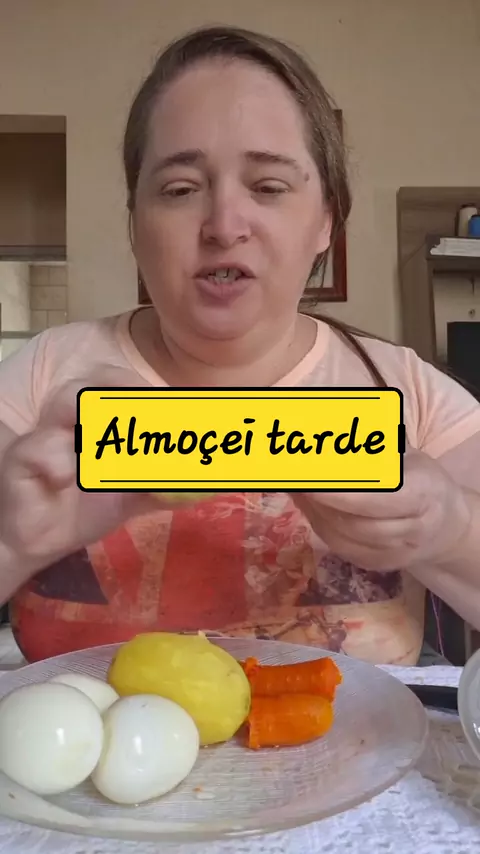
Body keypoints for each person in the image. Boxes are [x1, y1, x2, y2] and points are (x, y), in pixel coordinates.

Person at [0, 25, 479, 666]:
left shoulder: (411, 392)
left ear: (326, 221)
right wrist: (10, 544)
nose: (224, 226)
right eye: (179, 189)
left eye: (269, 186)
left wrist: (451, 531)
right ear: (136, 224)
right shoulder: (39, 379)